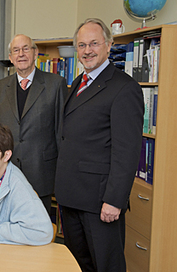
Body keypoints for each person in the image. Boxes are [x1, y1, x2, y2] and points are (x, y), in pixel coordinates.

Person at [55, 18, 144, 272]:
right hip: (71, 196)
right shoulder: (77, 84)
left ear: (109, 45)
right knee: (78, 265)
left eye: (94, 43)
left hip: (100, 201)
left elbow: (126, 152)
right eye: (81, 45)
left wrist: (115, 200)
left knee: (107, 266)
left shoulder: (124, 88)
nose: (87, 50)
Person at [0, 34, 68, 213]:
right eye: (16, 50)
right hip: (6, 173)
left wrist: (63, 174)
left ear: (35, 53)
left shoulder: (55, 84)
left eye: (26, 49)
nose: (21, 54)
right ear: (11, 57)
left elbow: (61, 132)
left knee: (40, 231)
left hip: (42, 173)